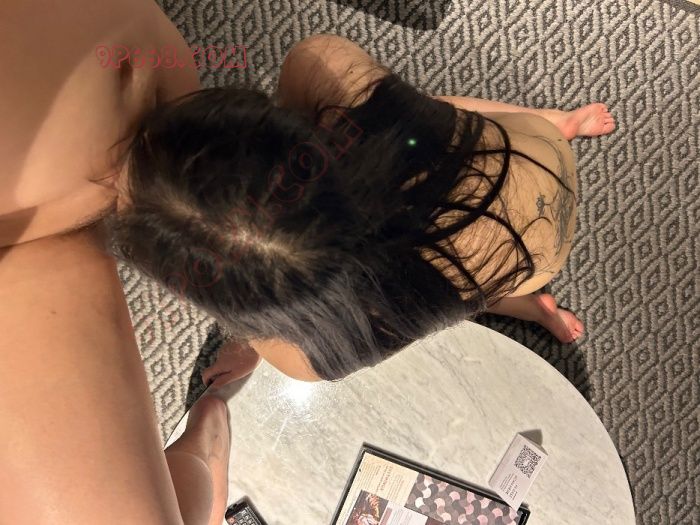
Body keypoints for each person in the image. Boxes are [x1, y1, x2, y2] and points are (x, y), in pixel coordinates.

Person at [0, 2, 614, 524]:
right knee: (422, 132)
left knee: (454, 289)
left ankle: (522, 298)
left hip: (497, 226)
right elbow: (415, 116)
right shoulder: (321, 65)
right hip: (531, 168)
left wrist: (247, 343)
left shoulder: (311, 356)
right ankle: (557, 147)